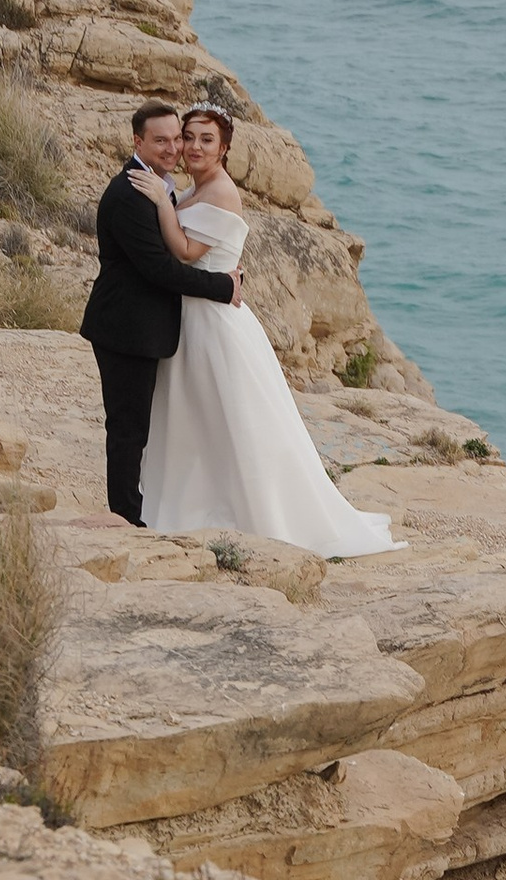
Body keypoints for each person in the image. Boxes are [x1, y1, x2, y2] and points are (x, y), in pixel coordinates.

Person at [136, 107, 399, 557]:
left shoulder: (218, 193)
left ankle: (258, 514)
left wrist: (162, 204)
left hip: (215, 324)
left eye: (206, 140)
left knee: (235, 420)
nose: (194, 147)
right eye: (189, 138)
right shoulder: (193, 189)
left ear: (224, 149)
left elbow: (182, 250)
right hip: (194, 317)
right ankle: (191, 505)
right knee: (195, 418)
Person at [78, 101, 239, 525]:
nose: (174, 148)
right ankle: (126, 517)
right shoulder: (132, 192)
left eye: (177, 138)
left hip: (154, 327)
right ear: (138, 141)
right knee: (128, 428)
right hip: (126, 327)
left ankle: (148, 507)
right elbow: (160, 268)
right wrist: (223, 286)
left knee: (151, 426)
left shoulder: (163, 185)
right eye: (163, 140)